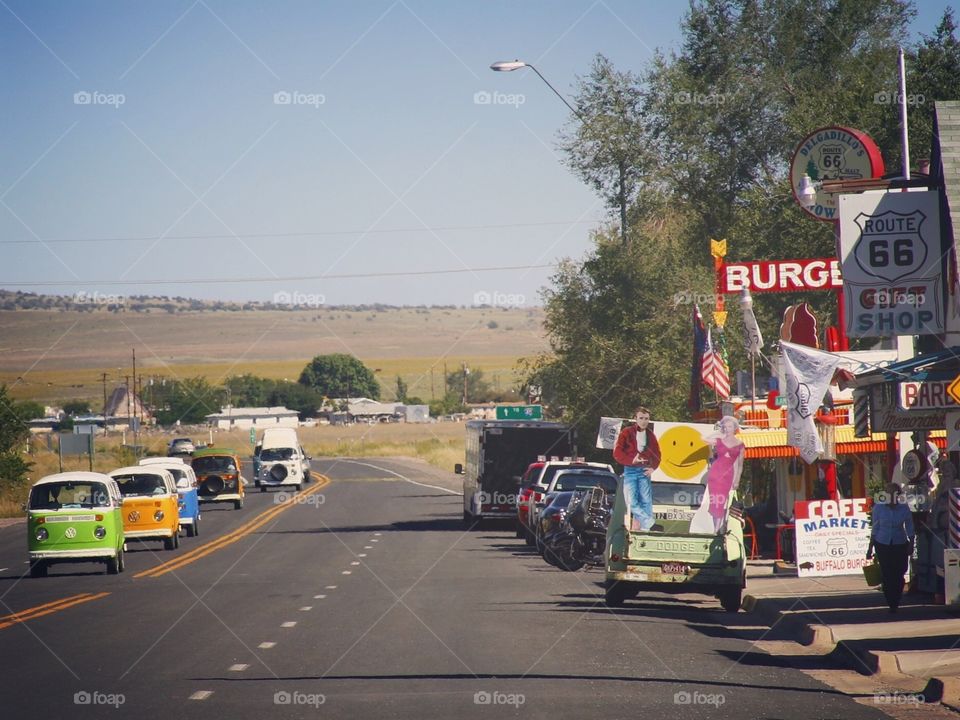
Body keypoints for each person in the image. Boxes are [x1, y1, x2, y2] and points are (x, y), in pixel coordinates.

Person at [867, 482, 915, 613]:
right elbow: (875, 528)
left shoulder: (904, 509)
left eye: (894, 493)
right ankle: (891, 602)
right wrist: (870, 548)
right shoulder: (879, 508)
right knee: (887, 573)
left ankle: (897, 598)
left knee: (899, 572)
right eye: (888, 493)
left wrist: (911, 543)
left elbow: (910, 527)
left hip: (899, 543)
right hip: (882, 543)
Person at [613, 406, 661, 531]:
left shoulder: (650, 435)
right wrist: (631, 460)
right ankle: (650, 523)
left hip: (644, 470)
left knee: (646, 500)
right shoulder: (626, 432)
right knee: (630, 501)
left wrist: (653, 468)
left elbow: (657, 453)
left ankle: (646, 530)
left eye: (646, 419)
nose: (644, 421)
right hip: (630, 470)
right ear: (635, 419)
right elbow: (617, 452)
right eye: (641, 418)